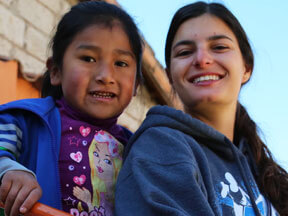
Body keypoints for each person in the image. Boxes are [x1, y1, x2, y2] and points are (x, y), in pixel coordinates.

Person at [115, 2, 288, 216]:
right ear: (170, 76)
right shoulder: (161, 147)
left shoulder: (265, 173)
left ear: (246, 67)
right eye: (185, 52)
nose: (202, 60)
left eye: (219, 47)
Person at [0, 1, 143, 216]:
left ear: (136, 85)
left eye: (121, 63)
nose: (105, 75)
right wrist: (11, 171)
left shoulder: (137, 151)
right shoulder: (25, 120)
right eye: (88, 58)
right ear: (56, 71)